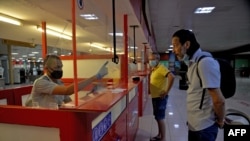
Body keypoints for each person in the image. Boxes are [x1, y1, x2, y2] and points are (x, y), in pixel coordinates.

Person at [171, 29, 225, 141]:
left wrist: (221, 120)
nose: (173, 50)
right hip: (195, 124)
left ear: (186, 44)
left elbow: (218, 100)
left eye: (175, 45)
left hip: (204, 127)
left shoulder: (205, 63)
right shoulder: (192, 63)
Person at [26, 54, 108, 108]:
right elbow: (67, 91)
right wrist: (96, 76)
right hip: (43, 121)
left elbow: (69, 102)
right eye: (57, 67)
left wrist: (89, 95)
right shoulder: (40, 82)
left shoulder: (59, 82)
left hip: (56, 117)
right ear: (46, 68)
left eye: (61, 67)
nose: (60, 70)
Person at [148, 53, 175, 141]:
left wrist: (167, 91)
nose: (150, 61)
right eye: (150, 59)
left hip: (160, 98)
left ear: (157, 60)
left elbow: (172, 77)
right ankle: (160, 135)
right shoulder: (154, 69)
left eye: (152, 59)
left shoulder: (161, 68)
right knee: (157, 117)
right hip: (155, 96)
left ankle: (163, 138)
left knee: (160, 117)